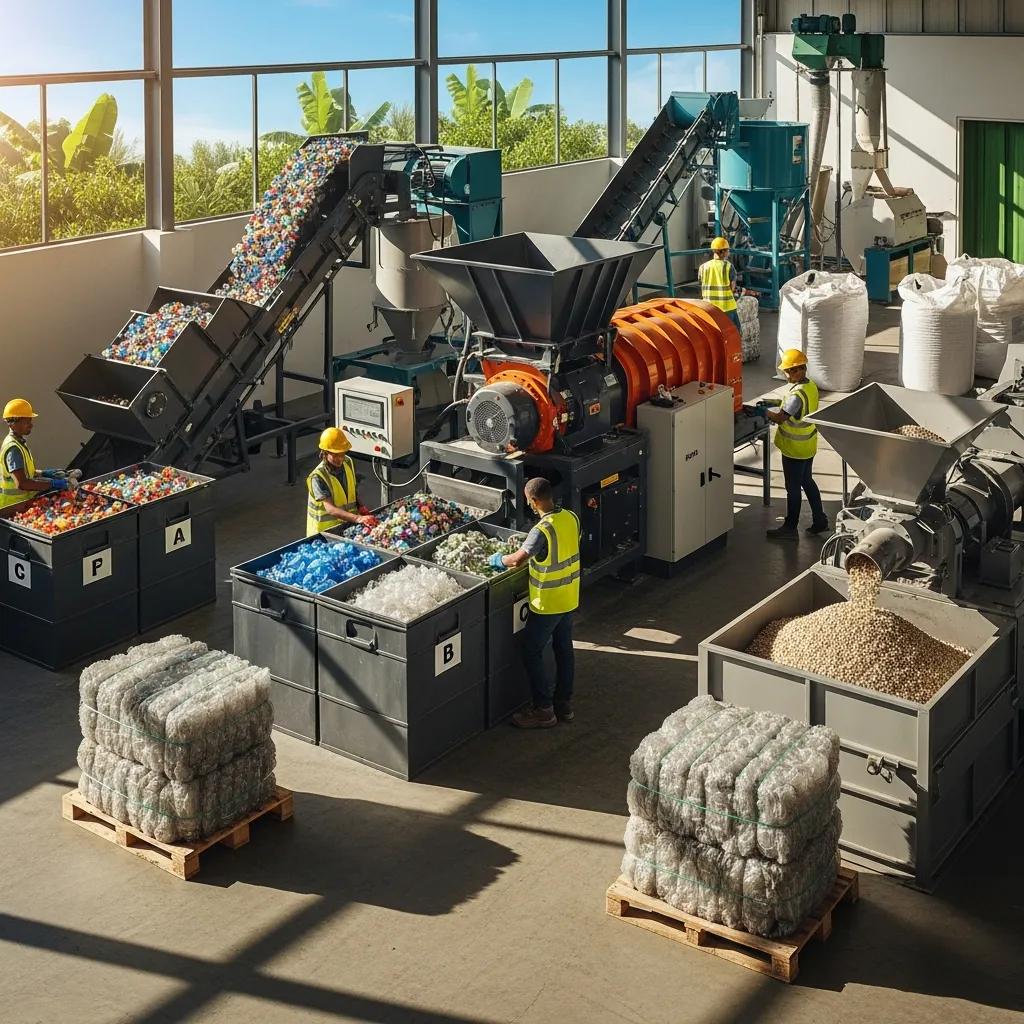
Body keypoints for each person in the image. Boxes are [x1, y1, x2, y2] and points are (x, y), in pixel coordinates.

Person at [489, 477, 581, 729]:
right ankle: (565, 704)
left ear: (533, 501)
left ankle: (543, 710)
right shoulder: (571, 518)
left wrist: (497, 559)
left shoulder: (542, 530)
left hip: (548, 602)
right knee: (564, 649)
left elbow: (519, 559)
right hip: (569, 597)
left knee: (531, 651)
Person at [763, 349, 828, 540]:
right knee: (807, 481)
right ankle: (820, 520)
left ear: (799, 370)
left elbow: (782, 417)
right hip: (808, 446)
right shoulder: (811, 387)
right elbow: (794, 407)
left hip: (794, 450)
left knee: (792, 488)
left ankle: (790, 527)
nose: (786, 375)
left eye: (789, 371)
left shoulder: (797, 394)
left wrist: (765, 413)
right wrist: (775, 402)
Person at [1, 398, 79, 508]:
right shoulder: (13, 449)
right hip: (14, 506)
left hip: (23, 502)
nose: (31, 424)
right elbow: (22, 483)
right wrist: (53, 484)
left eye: (30, 421)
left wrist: (44, 473)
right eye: (26, 421)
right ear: (13, 423)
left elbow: (26, 472)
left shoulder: (18, 442)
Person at [306, 426, 377, 536]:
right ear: (325, 453)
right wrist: (358, 518)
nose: (340, 458)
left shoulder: (348, 462)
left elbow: (352, 490)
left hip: (347, 527)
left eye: (342, 453)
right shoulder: (318, 476)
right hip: (324, 534)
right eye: (335, 455)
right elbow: (330, 509)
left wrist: (360, 506)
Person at [698, 236, 740, 331]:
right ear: (724, 252)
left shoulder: (703, 267)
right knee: (734, 333)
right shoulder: (728, 267)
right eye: (728, 250)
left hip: (709, 307)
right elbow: (732, 287)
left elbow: (701, 284)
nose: (728, 252)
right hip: (727, 307)